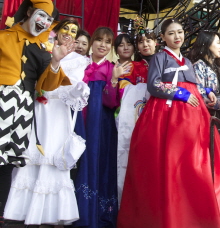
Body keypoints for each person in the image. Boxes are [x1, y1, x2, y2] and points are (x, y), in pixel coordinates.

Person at [118, 19, 220, 228]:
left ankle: (192, 216)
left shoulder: (187, 61)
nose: (177, 36)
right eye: (171, 33)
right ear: (163, 37)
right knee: (169, 165)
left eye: (180, 32)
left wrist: (208, 93)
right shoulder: (159, 58)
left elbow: (195, 85)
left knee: (193, 165)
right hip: (166, 116)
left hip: (192, 116)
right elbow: (154, 85)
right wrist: (181, 93)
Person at [4, 19, 90, 225]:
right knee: (31, 155)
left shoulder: (79, 60)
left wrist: (78, 90)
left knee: (53, 157)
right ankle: (20, 211)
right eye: (65, 29)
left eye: (73, 31)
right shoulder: (42, 49)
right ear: (57, 31)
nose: (69, 33)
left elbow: (71, 89)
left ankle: (50, 214)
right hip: (37, 110)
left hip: (58, 115)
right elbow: (34, 81)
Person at [0, 0, 72, 228]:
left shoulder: (43, 51)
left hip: (23, 107)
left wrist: (55, 62)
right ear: (30, 12)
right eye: (41, 15)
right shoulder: (3, 37)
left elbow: (47, 86)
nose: (44, 22)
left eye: (49, 20)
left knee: (9, 160)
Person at [72, 27, 130, 228]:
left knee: (98, 163)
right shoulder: (80, 65)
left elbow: (111, 103)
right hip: (78, 122)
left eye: (107, 42)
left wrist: (114, 79)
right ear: (91, 43)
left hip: (101, 126)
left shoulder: (111, 68)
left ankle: (95, 215)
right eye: (99, 40)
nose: (103, 45)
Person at [110, 20, 157, 205]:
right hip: (137, 118)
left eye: (149, 40)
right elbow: (123, 92)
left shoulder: (164, 61)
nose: (145, 44)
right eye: (141, 42)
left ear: (156, 42)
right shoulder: (133, 66)